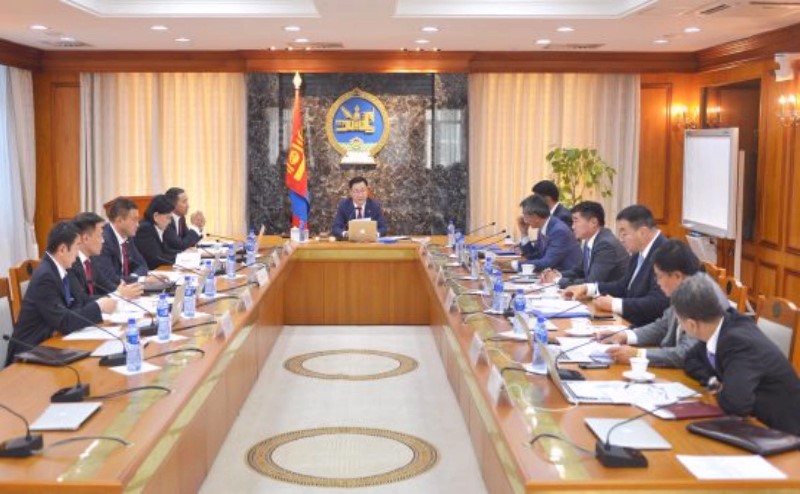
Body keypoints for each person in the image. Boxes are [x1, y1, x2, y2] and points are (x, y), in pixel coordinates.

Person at [676, 275, 800, 435]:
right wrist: (714, 382)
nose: (681, 327)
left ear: (692, 324)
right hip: (758, 423)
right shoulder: (720, 326)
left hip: (785, 435)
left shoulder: (737, 341)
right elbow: (690, 360)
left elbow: (736, 405)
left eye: (680, 322)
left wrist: (721, 389)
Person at [6, 222, 117, 364]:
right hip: (29, 351)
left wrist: (104, 301)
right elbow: (64, 321)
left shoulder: (60, 269)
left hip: (52, 342)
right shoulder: (45, 276)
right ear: (63, 249)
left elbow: (79, 301)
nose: (78, 252)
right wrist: (99, 307)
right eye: (77, 246)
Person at [598, 239, 712, 367]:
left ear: (677, 276)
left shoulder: (702, 302)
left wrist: (638, 354)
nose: (657, 282)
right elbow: (662, 326)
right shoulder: (684, 292)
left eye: (659, 276)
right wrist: (624, 335)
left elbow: (685, 353)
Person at [564, 204, 669, 327]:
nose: (620, 239)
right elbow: (622, 286)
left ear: (642, 232)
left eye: (624, 234)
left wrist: (615, 304)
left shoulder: (666, 253)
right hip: (627, 323)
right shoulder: (639, 251)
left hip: (647, 328)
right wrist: (587, 288)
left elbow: (658, 302)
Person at [541, 201, 628, 288]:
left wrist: (557, 280)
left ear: (593, 222)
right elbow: (580, 271)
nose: (573, 227)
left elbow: (591, 283)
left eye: (576, 221)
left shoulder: (605, 245)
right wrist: (557, 274)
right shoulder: (590, 240)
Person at [72, 212, 143, 299]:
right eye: (100, 236)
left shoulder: (90, 259)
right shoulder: (71, 263)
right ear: (86, 238)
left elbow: (105, 284)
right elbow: (81, 299)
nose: (103, 241)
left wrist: (123, 290)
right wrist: (119, 295)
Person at [513, 194, 581, 272]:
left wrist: (515, 265)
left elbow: (547, 263)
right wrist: (524, 233)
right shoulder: (544, 226)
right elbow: (535, 256)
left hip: (567, 276)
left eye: (525, 216)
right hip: (551, 274)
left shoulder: (559, 231)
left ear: (535, 217)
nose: (524, 220)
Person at [93, 197, 150, 291]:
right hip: (109, 293)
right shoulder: (104, 241)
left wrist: (133, 277)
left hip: (127, 289)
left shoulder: (127, 236)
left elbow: (142, 265)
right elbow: (110, 278)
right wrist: (139, 279)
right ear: (119, 220)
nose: (138, 225)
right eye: (134, 220)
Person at [134, 194, 181, 269]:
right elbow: (156, 258)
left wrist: (184, 256)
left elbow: (166, 251)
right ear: (156, 216)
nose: (170, 222)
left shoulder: (157, 227)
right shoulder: (145, 229)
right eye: (168, 218)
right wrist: (181, 261)